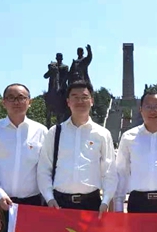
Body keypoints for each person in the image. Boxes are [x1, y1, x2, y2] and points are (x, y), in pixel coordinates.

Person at [37, 80, 117, 215]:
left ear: (92, 101)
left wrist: (106, 200)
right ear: (68, 102)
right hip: (59, 203)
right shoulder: (55, 132)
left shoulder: (102, 134)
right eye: (75, 97)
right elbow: (44, 169)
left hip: (92, 204)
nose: (80, 101)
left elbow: (109, 171)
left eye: (84, 97)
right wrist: (49, 198)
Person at [0, 84, 47, 232]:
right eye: (11, 98)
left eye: (21, 98)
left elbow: (46, 168)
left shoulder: (41, 131)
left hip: (31, 204)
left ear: (30, 101)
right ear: (3, 102)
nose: (16, 102)